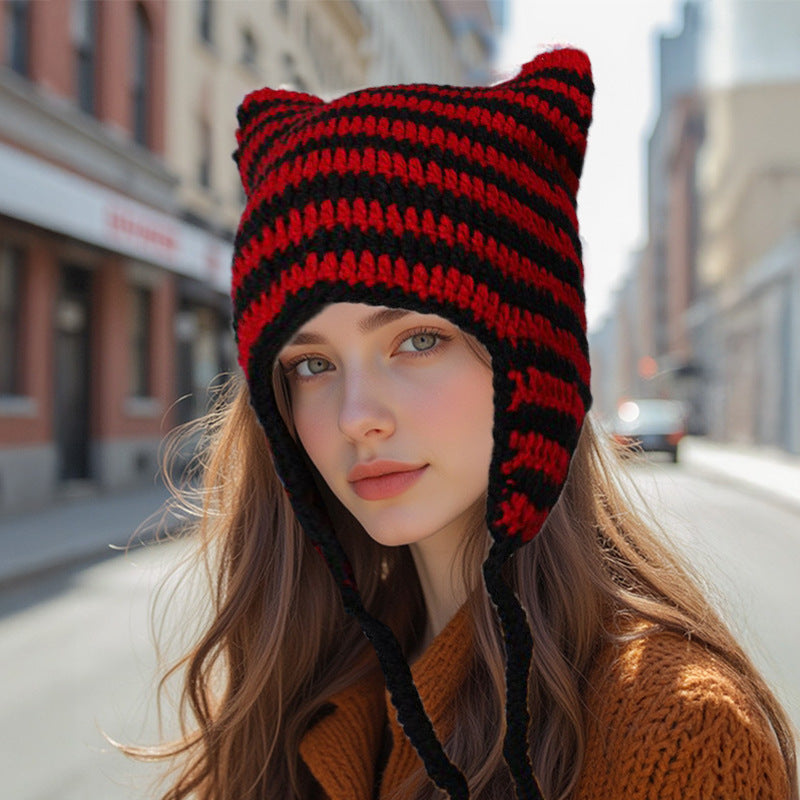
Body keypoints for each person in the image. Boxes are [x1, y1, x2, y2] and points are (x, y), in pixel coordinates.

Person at [135, 48, 797, 799]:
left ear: (536, 368)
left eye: (418, 340)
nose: (357, 418)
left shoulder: (676, 732)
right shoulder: (311, 685)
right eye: (310, 365)